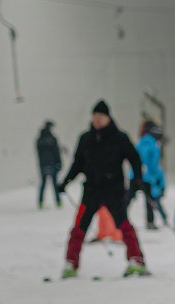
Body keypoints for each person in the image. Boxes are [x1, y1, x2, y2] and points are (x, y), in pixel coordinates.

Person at [59, 100, 148, 278]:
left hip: (113, 190)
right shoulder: (85, 139)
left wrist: (137, 179)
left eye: (101, 117)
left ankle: (136, 259)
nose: (98, 120)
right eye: (95, 117)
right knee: (79, 227)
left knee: (123, 224)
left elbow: (134, 158)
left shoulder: (120, 138)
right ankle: (71, 263)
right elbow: (78, 164)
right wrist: (65, 181)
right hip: (91, 190)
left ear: (108, 118)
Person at [136, 121, 168, 230]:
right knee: (150, 200)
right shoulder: (153, 145)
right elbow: (153, 164)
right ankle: (152, 221)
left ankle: (121, 220)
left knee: (129, 198)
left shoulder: (141, 142)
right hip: (147, 177)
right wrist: (157, 179)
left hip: (135, 175)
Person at [36, 120, 63, 208]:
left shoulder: (39, 140)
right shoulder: (52, 139)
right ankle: (58, 202)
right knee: (54, 184)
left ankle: (40, 203)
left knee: (43, 184)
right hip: (52, 164)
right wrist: (59, 162)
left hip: (43, 165)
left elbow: (38, 153)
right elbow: (56, 152)